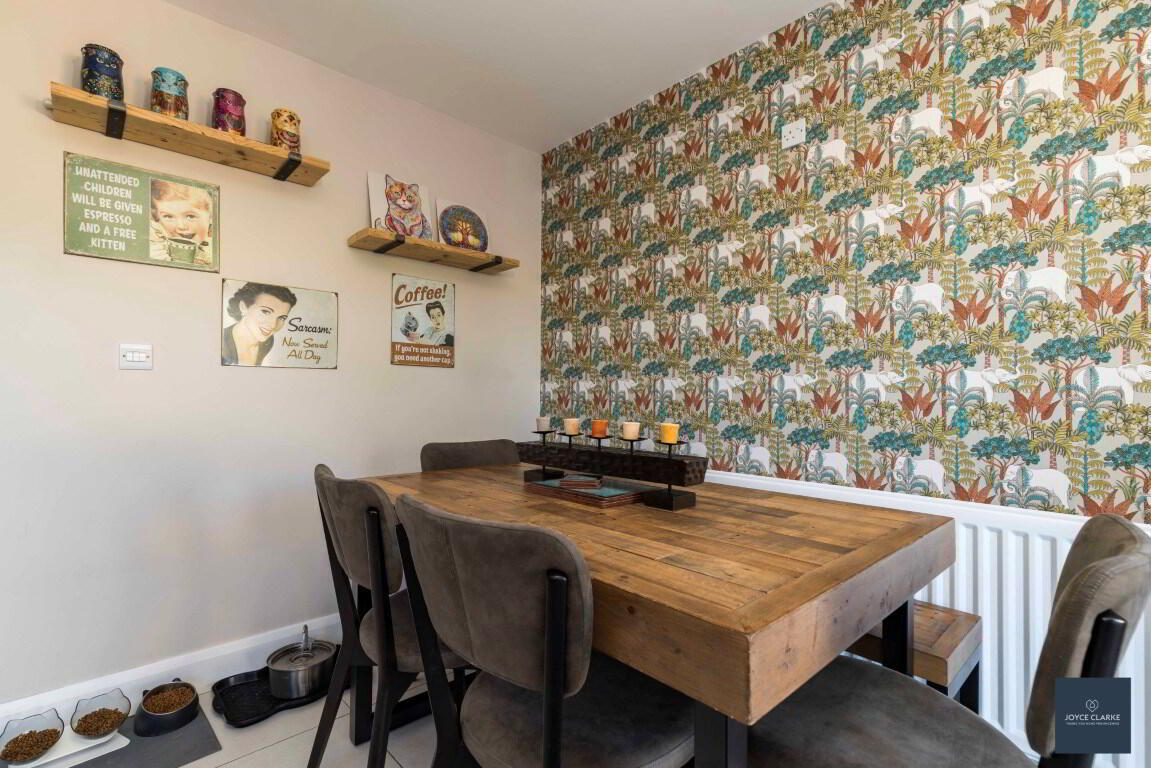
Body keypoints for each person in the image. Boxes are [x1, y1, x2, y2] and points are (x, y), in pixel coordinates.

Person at [222, 283, 297, 366]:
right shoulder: (221, 344)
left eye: (282, 318)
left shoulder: (268, 341)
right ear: (243, 307)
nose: (273, 325)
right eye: (266, 312)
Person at [149, 180, 213, 265]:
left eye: (190, 216)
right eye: (168, 216)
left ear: (210, 217)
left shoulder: (217, 254)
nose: (181, 226)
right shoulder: (156, 250)